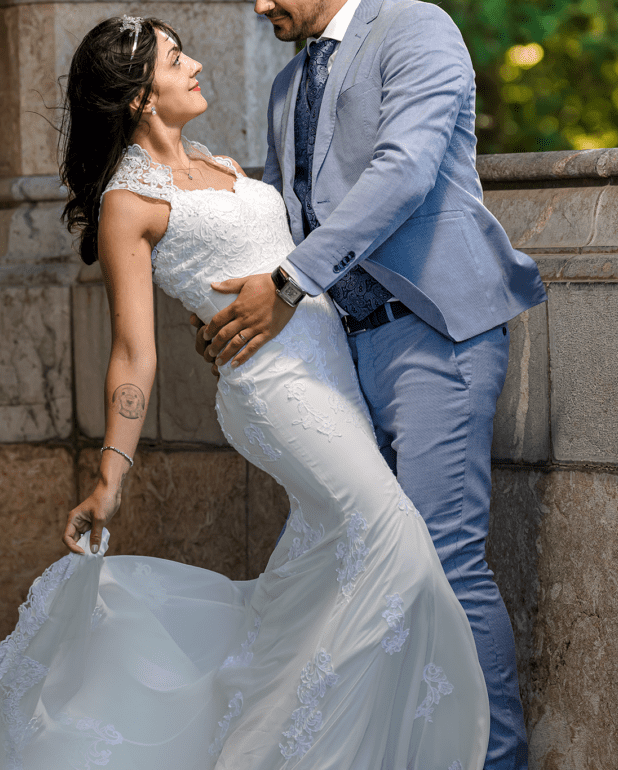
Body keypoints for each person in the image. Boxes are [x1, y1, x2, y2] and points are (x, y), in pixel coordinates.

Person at [0, 15, 490, 770]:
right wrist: (108, 475)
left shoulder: (222, 164)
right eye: (180, 61)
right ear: (142, 97)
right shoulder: (128, 203)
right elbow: (132, 352)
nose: (199, 65)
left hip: (332, 367)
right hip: (277, 391)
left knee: (318, 585)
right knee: (396, 544)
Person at [192, 0, 547, 768]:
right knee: (360, 567)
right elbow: (290, 213)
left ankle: (499, 760)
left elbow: (405, 171)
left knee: (445, 565)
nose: (260, 6)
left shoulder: (417, 26)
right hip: (339, 351)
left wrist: (284, 285)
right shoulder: (289, 85)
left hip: (433, 331)